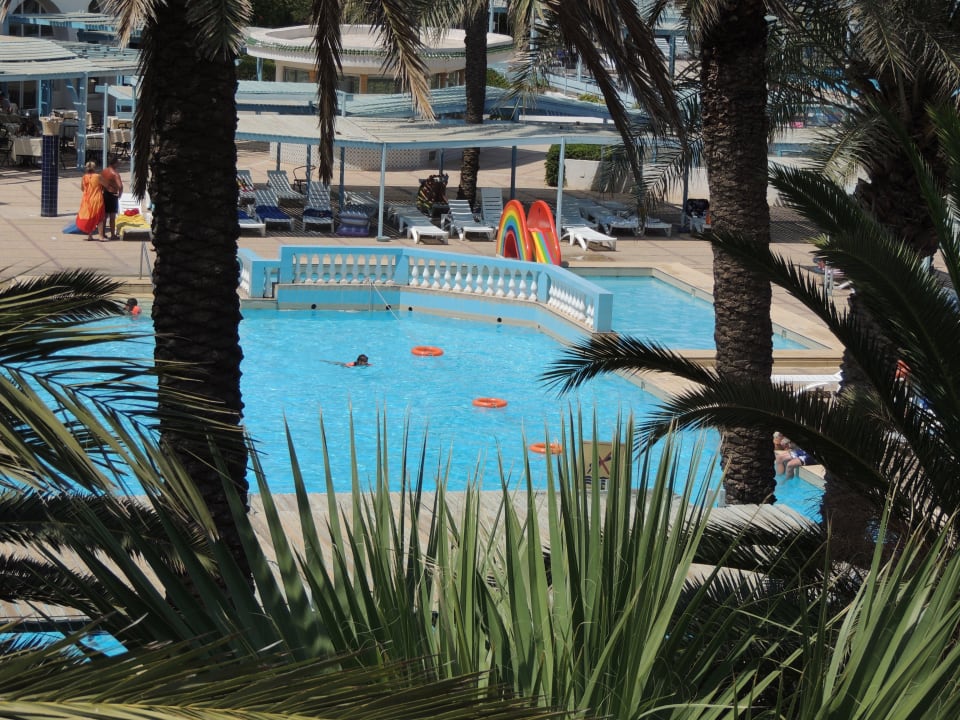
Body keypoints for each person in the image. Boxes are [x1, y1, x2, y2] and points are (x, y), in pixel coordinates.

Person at [76, 161, 106, 241]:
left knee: (90, 217)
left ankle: (90, 236)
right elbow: (105, 185)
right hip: (97, 199)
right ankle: (100, 236)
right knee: (100, 217)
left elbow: (82, 188)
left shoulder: (84, 177)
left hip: (87, 199)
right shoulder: (98, 176)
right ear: (94, 168)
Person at [99, 156, 124, 241]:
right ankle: (113, 235)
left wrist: (105, 188)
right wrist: (120, 194)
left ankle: (102, 233)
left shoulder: (104, 171)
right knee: (112, 217)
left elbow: (100, 181)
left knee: (104, 216)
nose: (119, 164)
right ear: (114, 163)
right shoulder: (115, 174)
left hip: (105, 194)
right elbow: (120, 186)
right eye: (118, 163)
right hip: (113, 195)